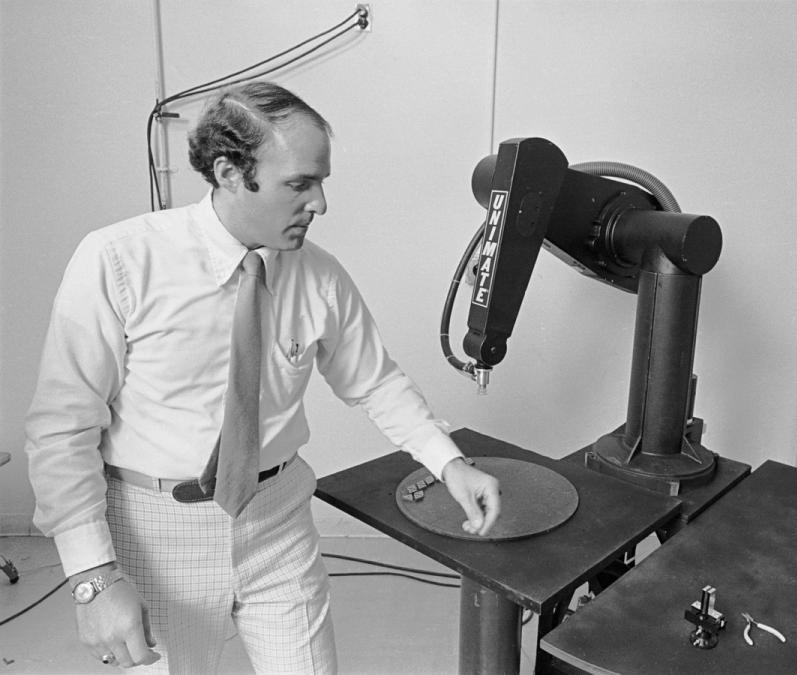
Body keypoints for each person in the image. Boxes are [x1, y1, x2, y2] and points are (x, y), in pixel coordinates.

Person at [25, 81, 500, 673]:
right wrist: (92, 578)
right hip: (153, 531)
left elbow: (375, 382)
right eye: (299, 184)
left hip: (277, 519)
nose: (320, 204)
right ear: (229, 173)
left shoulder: (319, 276)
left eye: (322, 182)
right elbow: (63, 428)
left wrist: (448, 463)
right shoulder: (119, 261)